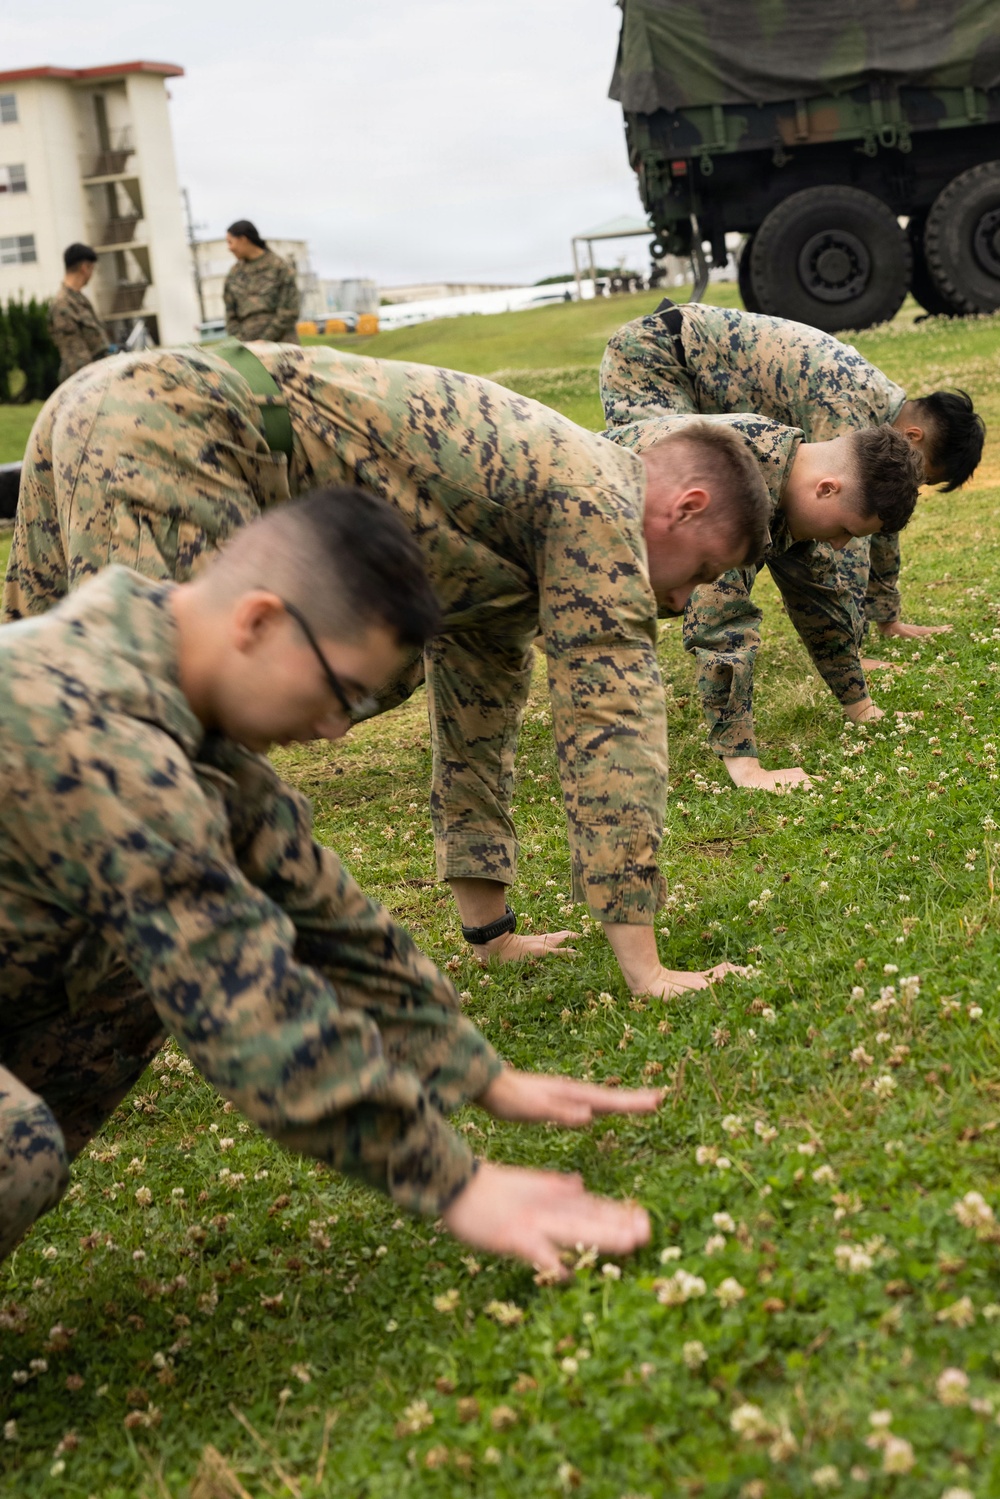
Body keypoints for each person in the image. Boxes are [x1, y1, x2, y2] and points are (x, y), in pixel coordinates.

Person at [0, 492, 661, 1273]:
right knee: (19, 1146)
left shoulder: (159, 664)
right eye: (340, 691)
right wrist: (455, 1182)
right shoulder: (94, 731)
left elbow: (319, 905)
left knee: (126, 976)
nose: (335, 728)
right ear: (259, 621)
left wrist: (470, 1067)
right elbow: (239, 994)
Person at [2, 341, 771, 1002]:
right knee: (140, 739)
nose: (683, 602)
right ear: (685, 506)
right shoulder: (598, 503)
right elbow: (612, 724)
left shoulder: (516, 546)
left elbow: (478, 725)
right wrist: (647, 969)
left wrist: (492, 934)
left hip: (112, 403)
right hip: (170, 423)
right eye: (702, 572)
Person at [600, 301, 948, 788]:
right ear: (827, 489)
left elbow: (821, 602)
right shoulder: (740, 485)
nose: (841, 545)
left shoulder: (787, 469)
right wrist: (746, 767)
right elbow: (721, 624)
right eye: (846, 530)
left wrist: (860, 706)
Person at [223, 220, 300, 344]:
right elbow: (230, 315)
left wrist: (264, 340)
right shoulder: (234, 274)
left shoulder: (279, 267)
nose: (230, 248)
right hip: (247, 348)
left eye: (230, 242)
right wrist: (241, 343)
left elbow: (289, 311)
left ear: (243, 239)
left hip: (281, 346)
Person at [48, 243, 111, 384]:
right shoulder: (63, 304)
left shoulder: (79, 299)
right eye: (92, 268)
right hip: (85, 384)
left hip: (98, 376)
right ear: (84, 268)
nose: (92, 274)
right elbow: (76, 358)